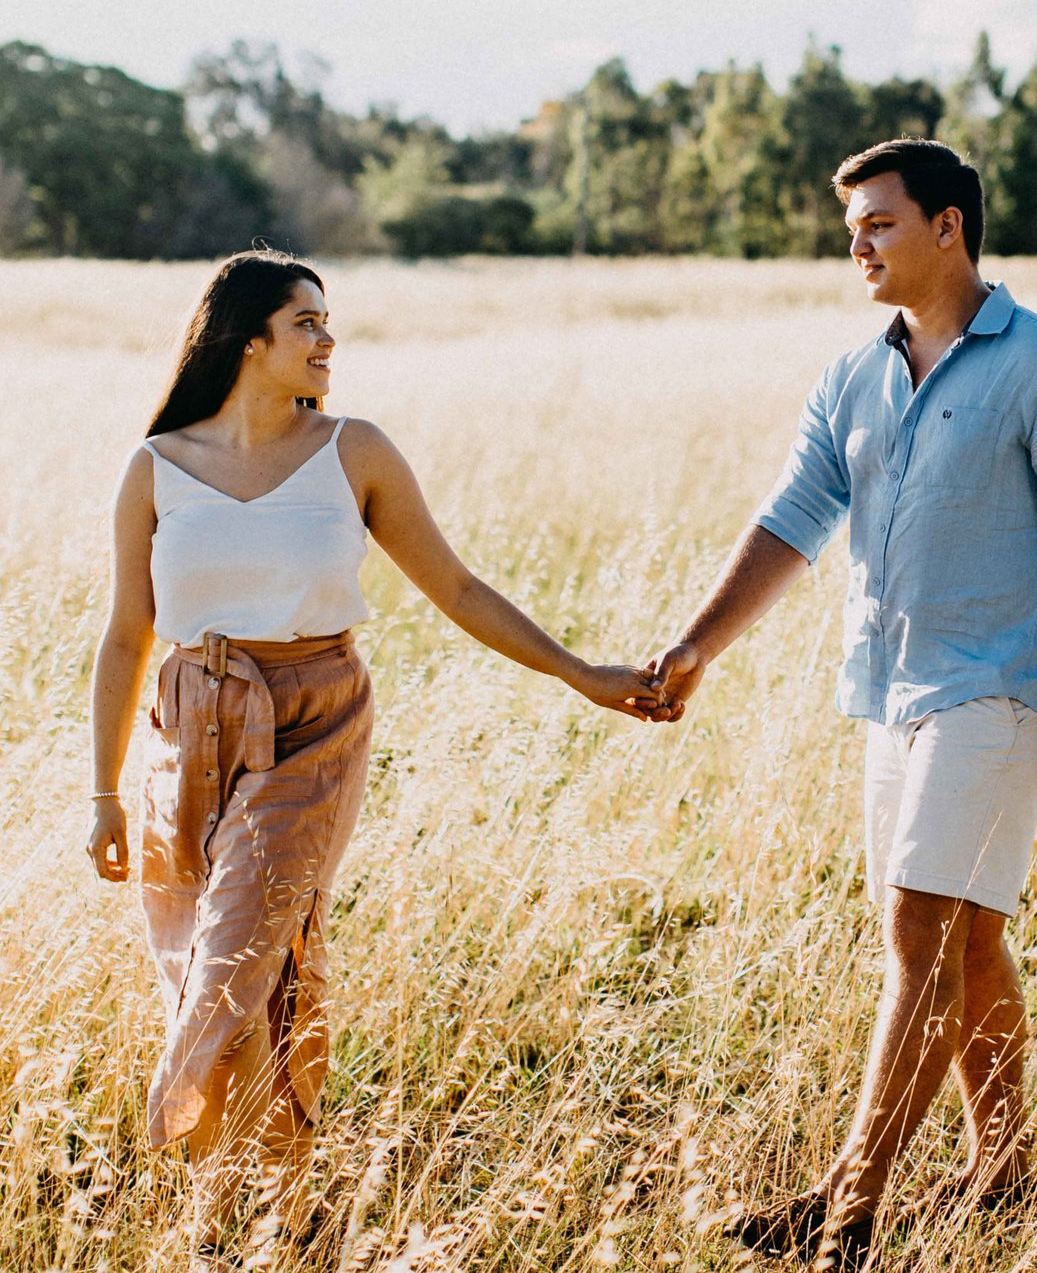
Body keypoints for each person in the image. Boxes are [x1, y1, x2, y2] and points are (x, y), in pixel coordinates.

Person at [81, 251, 657, 1263]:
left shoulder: (355, 451)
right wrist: (104, 793)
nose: (327, 340)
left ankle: (197, 1180)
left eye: (327, 321)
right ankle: (281, 1201)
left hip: (313, 720)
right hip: (189, 723)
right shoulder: (156, 463)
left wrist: (578, 671)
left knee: (235, 951)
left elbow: (462, 590)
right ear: (249, 336)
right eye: (307, 321)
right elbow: (127, 634)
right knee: (246, 959)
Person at [645, 139, 1037, 1270]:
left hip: (1007, 684)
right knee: (965, 938)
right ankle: (1006, 1164)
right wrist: (697, 645)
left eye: (877, 222)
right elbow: (790, 519)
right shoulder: (854, 375)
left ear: (948, 227)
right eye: (851, 228)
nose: (857, 245)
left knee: (919, 931)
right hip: (893, 690)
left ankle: (846, 1209)